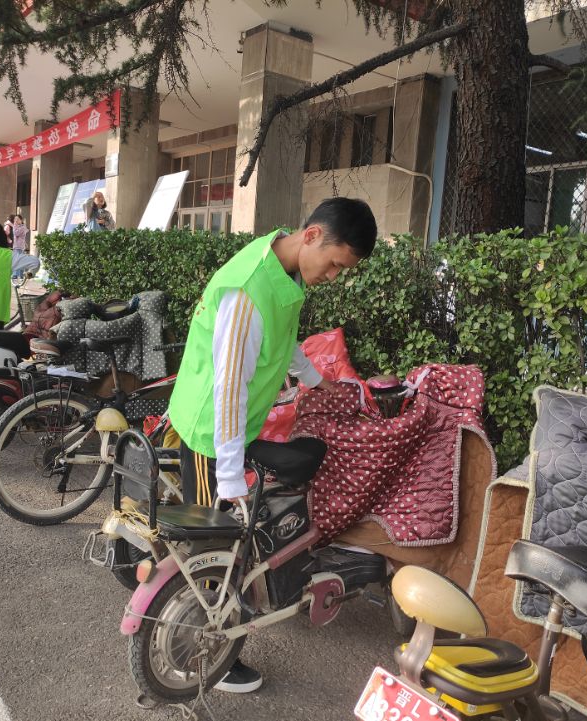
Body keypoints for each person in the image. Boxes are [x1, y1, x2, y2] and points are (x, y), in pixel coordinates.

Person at [166, 197, 378, 692]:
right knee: (214, 543)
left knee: (221, 536)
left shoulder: (284, 267)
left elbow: (284, 341)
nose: (333, 276)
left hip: (232, 426)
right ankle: (209, 653)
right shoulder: (247, 292)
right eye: (334, 264)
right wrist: (229, 477)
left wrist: (316, 380)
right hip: (209, 431)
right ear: (312, 236)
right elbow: (229, 390)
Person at [11, 215, 31, 279]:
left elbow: (16, 233)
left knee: (17, 260)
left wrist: (14, 225)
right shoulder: (19, 227)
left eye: (17, 219)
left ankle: (16, 275)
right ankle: (20, 275)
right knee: (18, 260)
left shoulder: (22, 227)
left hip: (19, 247)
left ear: (21, 220)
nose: (16, 220)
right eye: (15, 219)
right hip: (17, 246)